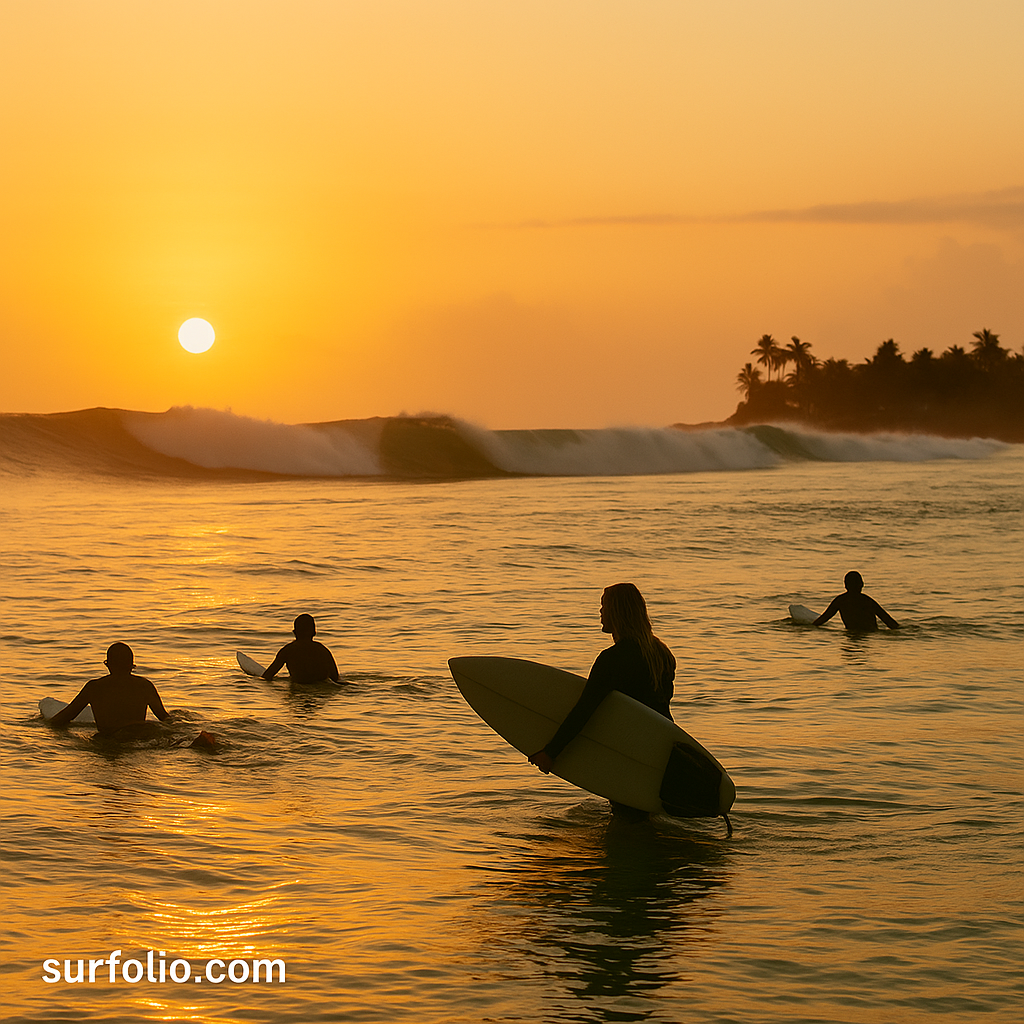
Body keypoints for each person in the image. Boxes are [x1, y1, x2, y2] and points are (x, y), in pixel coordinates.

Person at [529, 584, 676, 817]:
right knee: (644, 817)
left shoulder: (612, 659)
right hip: (660, 750)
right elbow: (661, 709)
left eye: (603, 605)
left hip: (625, 754)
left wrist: (551, 752)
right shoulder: (662, 654)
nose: (600, 611)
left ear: (617, 611)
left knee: (625, 821)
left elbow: (585, 710)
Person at [47, 642, 172, 737]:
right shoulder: (145, 685)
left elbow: (62, 718)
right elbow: (165, 718)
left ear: (107, 664)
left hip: (110, 737)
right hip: (142, 735)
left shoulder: (94, 687)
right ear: (132, 665)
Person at [262, 614, 339, 684]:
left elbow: (268, 676)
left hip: (299, 688)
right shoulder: (322, 650)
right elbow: (335, 678)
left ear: (294, 632)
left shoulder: (287, 651)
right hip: (321, 692)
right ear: (314, 632)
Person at [813, 571, 900, 631]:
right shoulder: (867, 600)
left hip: (851, 634)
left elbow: (822, 620)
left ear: (845, 585)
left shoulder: (840, 600)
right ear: (862, 585)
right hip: (870, 635)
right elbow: (890, 623)